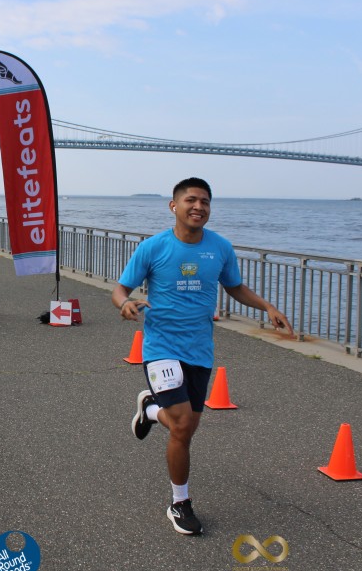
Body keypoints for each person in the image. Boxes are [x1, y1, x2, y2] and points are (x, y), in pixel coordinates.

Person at [111, 177, 292, 536]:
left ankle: (150, 409)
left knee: (189, 426)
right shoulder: (153, 247)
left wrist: (267, 307)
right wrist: (125, 303)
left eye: (205, 202)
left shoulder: (220, 247)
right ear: (173, 206)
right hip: (160, 348)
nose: (198, 207)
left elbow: (235, 286)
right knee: (181, 427)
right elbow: (120, 289)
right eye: (191, 200)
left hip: (199, 351)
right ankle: (179, 503)